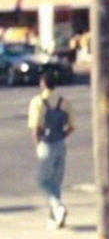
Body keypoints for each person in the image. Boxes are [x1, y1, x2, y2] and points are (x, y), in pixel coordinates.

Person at [27, 71, 74, 229]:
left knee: (43, 181)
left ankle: (58, 207)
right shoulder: (64, 102)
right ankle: (55, 217)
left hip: (46, 144)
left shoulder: (38, 102)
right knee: (55, 183)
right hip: (60, 144)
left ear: (43, 84)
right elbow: (71, 126)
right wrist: (61, 135)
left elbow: (35, 127)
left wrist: (38, 144)